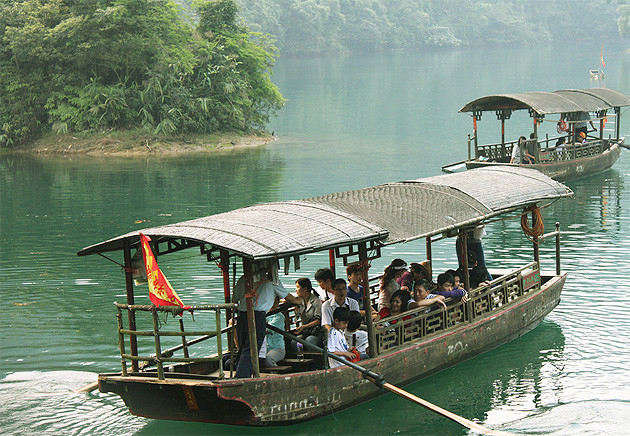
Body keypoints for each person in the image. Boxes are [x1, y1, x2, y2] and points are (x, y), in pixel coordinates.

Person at [233, 264, 301, 378]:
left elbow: (235, 297)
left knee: (244, 346)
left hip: (242, 315)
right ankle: (241, 377)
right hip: (256, 316)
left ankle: (241, 374)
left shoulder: (243, 279)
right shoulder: (272, 281)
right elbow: (288, 297)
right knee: (251, 348)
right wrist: (298, 301)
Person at [292, 278, 324, 349]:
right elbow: (287, 298)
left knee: (309, 341)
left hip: (316, 332)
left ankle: (315, 359)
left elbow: (318, 321)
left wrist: (304, 326)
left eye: (297, 287)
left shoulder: (316, 301)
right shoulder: (300, 299)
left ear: (305, 289)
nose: (296, 289)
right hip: (305, 332)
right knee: (295, 342)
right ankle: (300, 358)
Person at [263, 297, 286, 367]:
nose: (273, 304)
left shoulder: (279, 317)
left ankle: (275, 375)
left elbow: (266, 330)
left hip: (277, 348)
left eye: (276, 302)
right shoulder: (263, 313)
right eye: (272, 301)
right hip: (263, 348)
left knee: (268, 359)